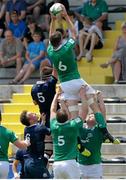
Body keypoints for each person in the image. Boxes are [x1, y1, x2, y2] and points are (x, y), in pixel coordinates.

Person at [47, 4, 104, 122]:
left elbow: (50, 36)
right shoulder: (66, 48)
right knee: (93, 105)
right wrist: (66, 16)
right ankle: (104, 130)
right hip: (75, 80)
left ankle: (76, 135)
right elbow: (74, 33)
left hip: (64, 85)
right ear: (62, 38)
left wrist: (52, 20)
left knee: (73, 111)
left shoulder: (50, 51)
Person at [77, 87, 120, 179]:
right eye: (89, 114)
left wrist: (100, 98)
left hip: (95, 166)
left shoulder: (99, 130)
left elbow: (102, 113)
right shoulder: (80, 128)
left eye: (93, 114)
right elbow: (81, 113)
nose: (91, 115)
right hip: (80, 165)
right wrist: (83, 97)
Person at [50, 90, 91, 179]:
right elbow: (85, 110)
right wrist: (82, 95)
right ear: (68, 116)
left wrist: (56, 94)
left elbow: (52, 109)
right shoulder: (73, 125)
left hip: (57, 163)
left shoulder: (53, 125)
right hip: (70, 163)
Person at [20, 110, 51, 179]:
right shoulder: (40, 128)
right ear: (30, 121)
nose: (35, 113)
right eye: (32, 114)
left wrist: (43, 122)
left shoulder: (26, 129)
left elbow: (37, 132)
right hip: (36, 162)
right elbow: (50, 132)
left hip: (27, 162)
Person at [0, 111, 30, 179]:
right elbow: (21, 145)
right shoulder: (8, 132)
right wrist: (27, 141)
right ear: (1, 118)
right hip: (3, 164)